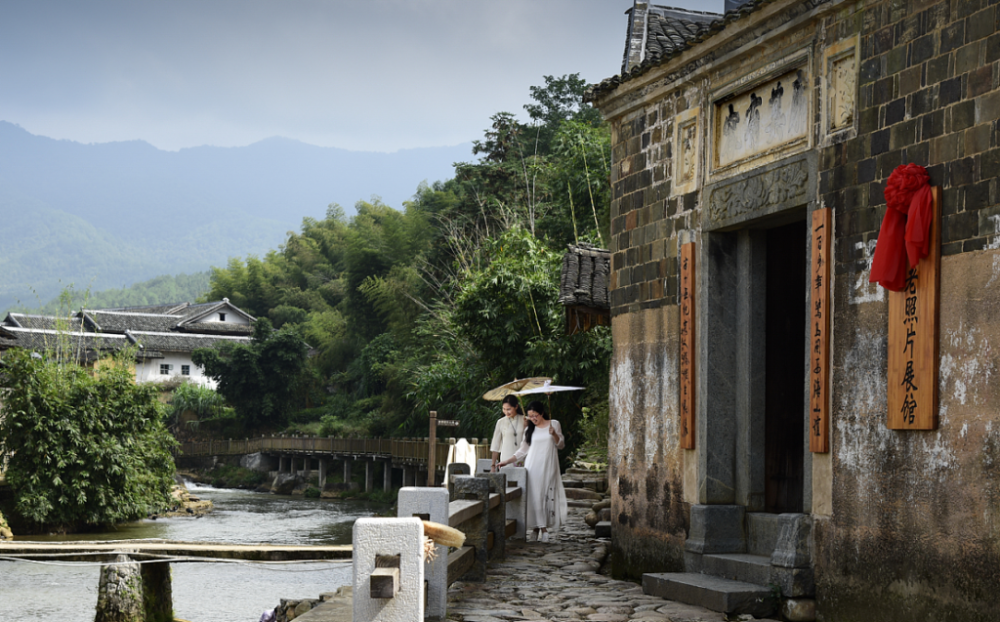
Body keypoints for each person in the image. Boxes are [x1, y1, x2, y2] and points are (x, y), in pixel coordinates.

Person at [497, 400, 567, 542]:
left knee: (544, 496)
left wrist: (554, 434)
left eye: (535, 415)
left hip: (548, 466)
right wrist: (506, 461)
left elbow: (561, 445)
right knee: (535, 496)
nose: (533, 419)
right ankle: (543, 529)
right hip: (532, 466)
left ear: (541, 413)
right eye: (530, 416)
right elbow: (523, 451)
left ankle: (537, 528)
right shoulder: (530, 429)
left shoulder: (554, 424)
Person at [490, 395, 526, 471]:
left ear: (516, 406)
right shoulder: (501, 422)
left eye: (509, 409)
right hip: (506, 459)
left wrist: (527, 426)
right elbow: (495, 445)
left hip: (522, 457)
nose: (506, 412)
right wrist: (493, 465)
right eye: (504, 409)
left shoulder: (525, 420)